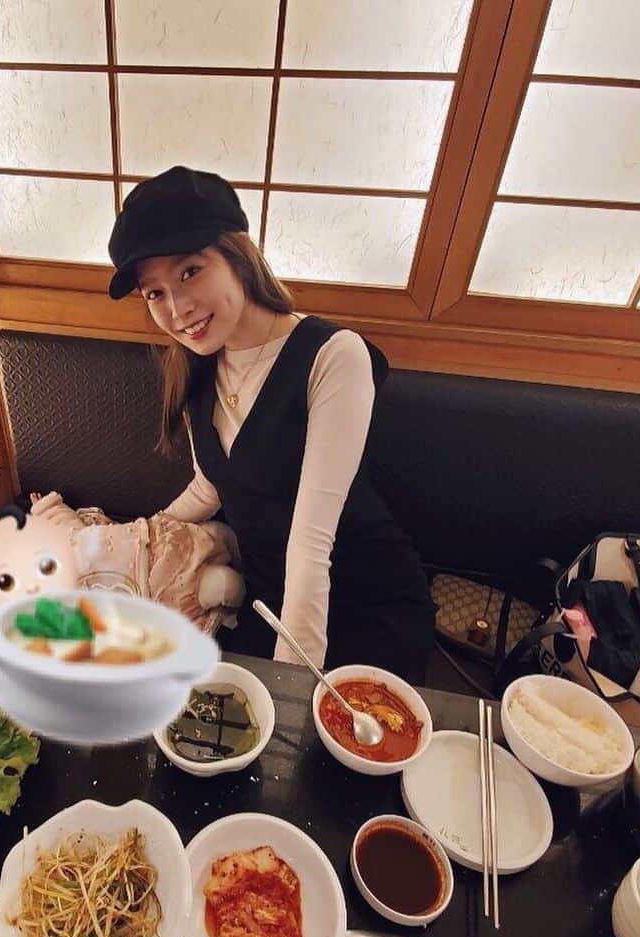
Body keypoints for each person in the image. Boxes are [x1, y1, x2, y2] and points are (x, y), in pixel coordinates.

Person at [107, 166, 435, 683]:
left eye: (190, 272)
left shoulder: (333, 356)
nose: (178, 308)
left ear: (238, 256)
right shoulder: (197, 365)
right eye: (155, 294)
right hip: (266, 601)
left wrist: (289, 689)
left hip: (366, 601)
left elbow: (311, 541)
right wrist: (135, 542)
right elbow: (211, 485)